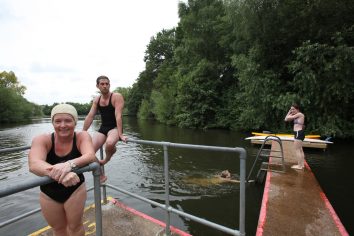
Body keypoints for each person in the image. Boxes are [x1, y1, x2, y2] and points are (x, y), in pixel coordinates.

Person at [28, 104, 96, 236]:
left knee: (75, 228)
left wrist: (68, 165)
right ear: (52, 122)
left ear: (75, 122)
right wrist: (63, 174)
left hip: (75, 190)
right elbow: (34, 164)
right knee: (58, 230)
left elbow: (90, 155)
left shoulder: (82, 136)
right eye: (57, 121)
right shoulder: (42, 139)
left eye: (68, 120)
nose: (63, 125)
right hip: (49, 193)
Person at [83, 75, 127, 181]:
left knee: (110, 143)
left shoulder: (116, 96)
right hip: (103, 128)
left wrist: (120, 134)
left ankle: (106, 159)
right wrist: (83, 132)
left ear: (109, 85)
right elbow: (90, 116)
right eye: (102, 84)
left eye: (107, 84)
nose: (105, 86)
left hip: (114, 128)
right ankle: (101, 174)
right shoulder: (96, 100)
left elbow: (118, 116)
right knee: (88, 153)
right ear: (97, 86)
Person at [284, 103, 305, 170]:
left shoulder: (300, 114)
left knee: (297, 150)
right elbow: (286, 119)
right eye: (291, 109)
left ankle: (299, 166)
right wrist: (289, 112)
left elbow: (288, 117)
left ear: (297, 109)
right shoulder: (296, 115)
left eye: (293, 109)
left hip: (299, 133)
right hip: (298, 133)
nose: (292, 110)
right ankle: (302, 165)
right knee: (300, 150)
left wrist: (289, 113)